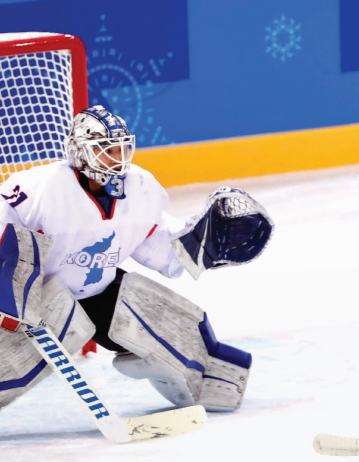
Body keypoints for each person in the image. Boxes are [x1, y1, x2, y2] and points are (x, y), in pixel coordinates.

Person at [0, 105, 272, 414]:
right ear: (79, 152)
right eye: (105, 150)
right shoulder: (41, 188)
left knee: (169, 324)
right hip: (36, 302)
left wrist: (203, 244)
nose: (117, 157)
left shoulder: (141, 188)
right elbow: (6, 226)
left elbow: (158, 244)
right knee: (11, 364)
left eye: (121, 148)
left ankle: (210, 383)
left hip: (97, 293)